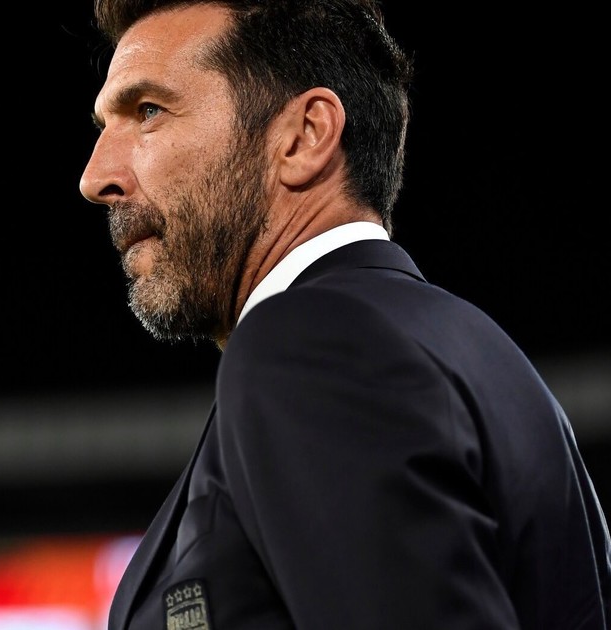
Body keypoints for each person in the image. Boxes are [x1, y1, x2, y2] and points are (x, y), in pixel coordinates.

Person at [76, 1, 611, 628]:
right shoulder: (480, 353)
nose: (95, 178)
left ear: (304, 137)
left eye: (148, 111)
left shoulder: (308, 346)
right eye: (104, 126)